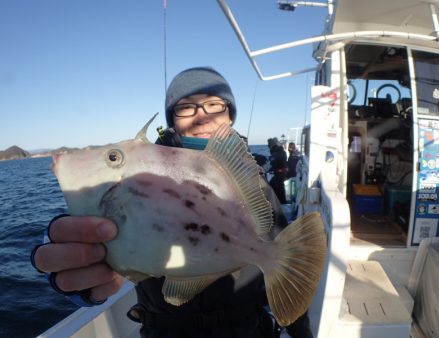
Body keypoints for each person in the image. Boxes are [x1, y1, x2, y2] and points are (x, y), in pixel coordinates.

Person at [31, 67, 312, 338]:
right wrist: (76, 275)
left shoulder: (258, 189)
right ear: (172, 118)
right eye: (186, 107)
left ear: (230, 115)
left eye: (214, 104)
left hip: (246, 330)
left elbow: (290, 278)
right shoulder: (141, 173)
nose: (202, 117)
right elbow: (96, 246)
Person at [267, 138, 288, 204]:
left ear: (270, 146)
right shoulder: (281, 151)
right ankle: (279, 202)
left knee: (279, 189)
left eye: (269, 146)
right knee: (272, 185)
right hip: (281, 173)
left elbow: (271, 163)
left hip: (279, 174)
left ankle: (281, 203)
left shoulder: (275, 153)